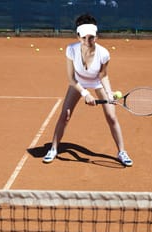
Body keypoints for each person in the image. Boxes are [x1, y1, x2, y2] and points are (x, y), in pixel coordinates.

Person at [43, 13, 133, 166]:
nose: (87, 41)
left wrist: (109, 93)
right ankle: (53, 149)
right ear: (78, 37)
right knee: (65, 115)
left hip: (97, 83)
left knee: (111, 117)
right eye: (84, 38)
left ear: (96, 37)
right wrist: (85, 94)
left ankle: (122, 152)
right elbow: (71, 78)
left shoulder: (104, 53)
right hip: (78, 83)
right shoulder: (71, 50)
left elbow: (103, 76)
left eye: (91, 37)